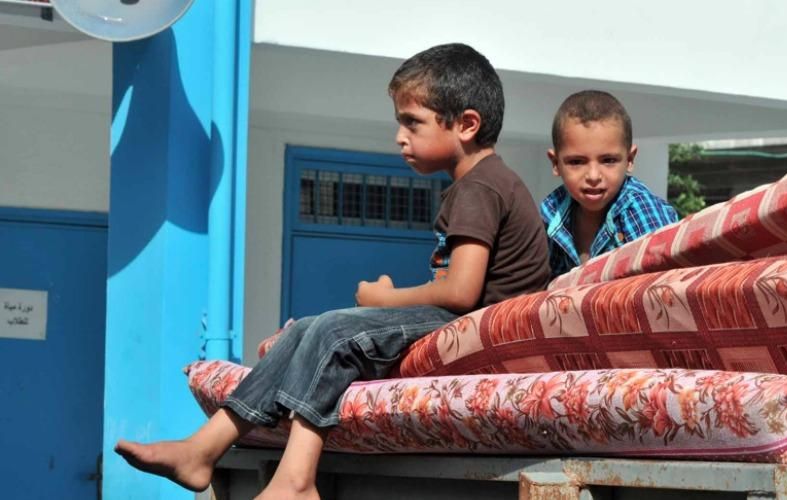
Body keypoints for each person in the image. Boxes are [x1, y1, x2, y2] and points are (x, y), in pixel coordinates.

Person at [114, 43, 550, 500]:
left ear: (466, 124)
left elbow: (461, 292)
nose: (400, 137)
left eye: (412, 122)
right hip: (466, 313)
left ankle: (297, 481)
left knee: (334, 332)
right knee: (305, 329)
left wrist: (385, 298)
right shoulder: (482, 184)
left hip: (476, 321)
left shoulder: (479, 188)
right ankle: (203, 449)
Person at [541, 90, 679, 277]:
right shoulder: (552, 212)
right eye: (576, 162)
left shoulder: (642, 212)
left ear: (629, 159)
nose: (593, 176)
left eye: (608, 160)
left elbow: (662, 288)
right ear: (556, 163)